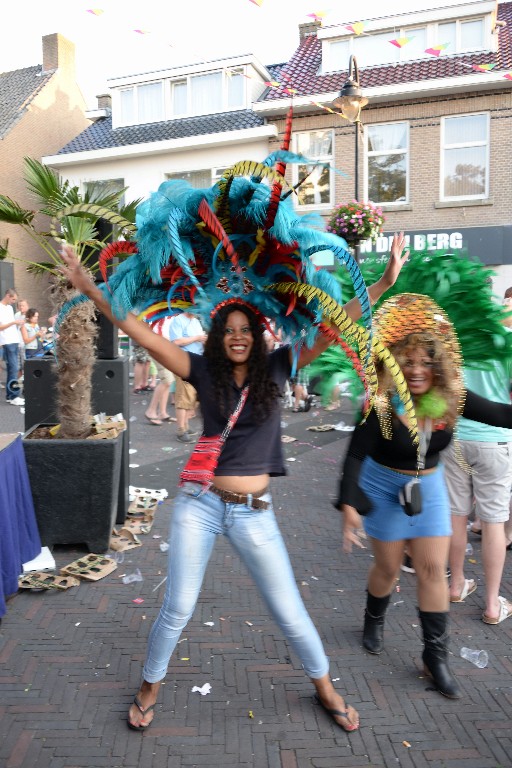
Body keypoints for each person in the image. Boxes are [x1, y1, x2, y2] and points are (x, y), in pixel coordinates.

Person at [59, 230, 408, 734]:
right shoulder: (200, 372)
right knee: (178, 605)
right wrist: (92, 289)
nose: (239, 336)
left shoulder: (280, 367)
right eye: (230, 329)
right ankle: (150, 684)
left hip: (255, 513)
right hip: (199, 504)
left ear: (260, 334)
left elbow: (336, 326)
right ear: (219, 335)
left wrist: (380, 285)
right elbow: (141, 333)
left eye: (247, 328)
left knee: (289, 610)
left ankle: (325, 687)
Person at [336, 294, 512, 700]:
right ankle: (373, 618)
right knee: (389, 569)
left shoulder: (453, 399)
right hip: (383, 488)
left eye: (424, 363)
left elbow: (503, 416)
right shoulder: (378, 404)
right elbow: (356, 455)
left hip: (429, 488)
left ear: (438, 367)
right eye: (407, 362)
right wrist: (348, 503)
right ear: (395, 364)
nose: (415, 370)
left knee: (434, 570)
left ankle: (436, 658)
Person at [443, 304, 512, 624]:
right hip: (494, 440)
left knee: (456, 516)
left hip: (456, 439)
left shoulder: (458, 342)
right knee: (494, 522)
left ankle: (456, 585)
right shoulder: (506, 343)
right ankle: (491, 604)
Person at [169, 311, 207, 442]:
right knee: (183, 395)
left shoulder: (196, 321)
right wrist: (197, 338)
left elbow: (200, 340)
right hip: (182, 362)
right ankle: (181, 430)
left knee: (192, 396)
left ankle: (185, 425)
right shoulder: (178, 320)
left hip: (196, 361)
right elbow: (176, 341)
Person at [0, 288, 25, 405]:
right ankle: (14, 396)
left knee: (13, 369)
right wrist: (14, 322)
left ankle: (11, 396)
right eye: (13, 299)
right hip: (7, 342)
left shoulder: (9, 308)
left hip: (14, 341)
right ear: (8, 296)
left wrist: (17, 324)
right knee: (14, 369)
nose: (14, 302)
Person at [14, 298, 29, 373]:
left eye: (23, 305)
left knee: (25, 364)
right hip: (17, 342)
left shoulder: (30, 316)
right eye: (19, 306)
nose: (21, 307)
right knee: (18, 366)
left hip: (25, 343)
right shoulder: (16, 315)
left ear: (27, 306)